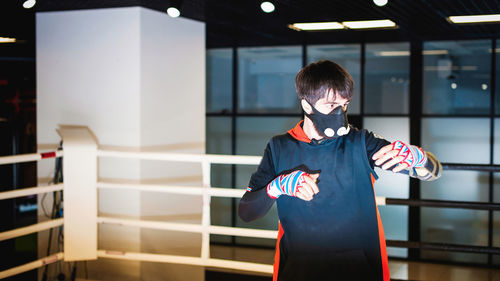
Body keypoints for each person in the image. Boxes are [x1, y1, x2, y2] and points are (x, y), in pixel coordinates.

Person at [238, 60, 442, 281]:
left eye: (344, 105)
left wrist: (419, 158)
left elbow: (432, 172)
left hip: (357, 267)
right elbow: (247, 212)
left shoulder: (361, 143)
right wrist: (276, 187)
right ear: (307, 106)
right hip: (300, 267)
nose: (340, 112)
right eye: (330, 105)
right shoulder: (279, 147)